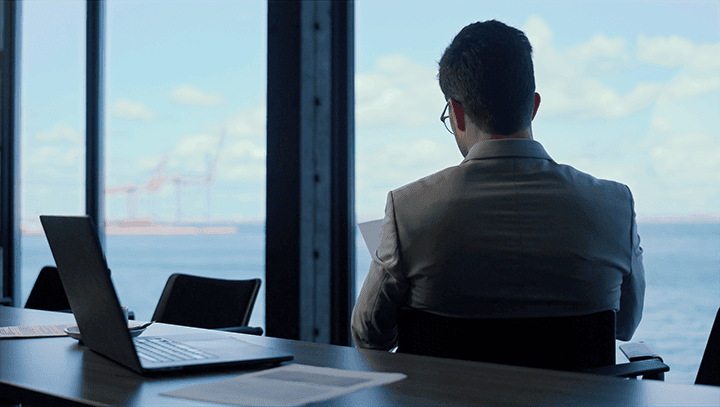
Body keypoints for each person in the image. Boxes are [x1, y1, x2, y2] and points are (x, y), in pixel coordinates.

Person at [351, 19, 645, 350]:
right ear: (532, 107)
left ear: (457, 114)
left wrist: (394, 251)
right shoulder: (616, 205)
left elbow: (370, 337)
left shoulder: (408, 211)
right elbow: (625, 326)